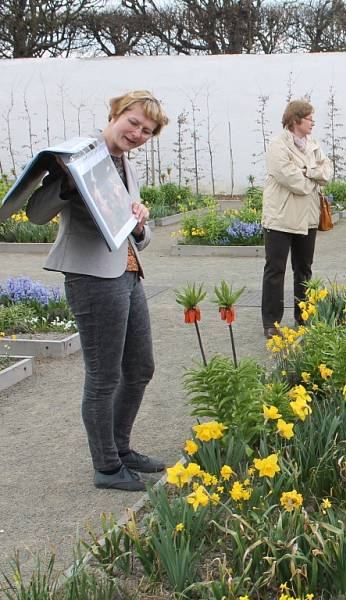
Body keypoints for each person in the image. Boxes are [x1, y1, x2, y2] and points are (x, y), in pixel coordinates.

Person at [26, 90, 169, 491]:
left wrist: (140, 223)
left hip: (127, 271)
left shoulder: (124, 164)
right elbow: (36, 214)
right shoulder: (78, 158)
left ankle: (120, 448)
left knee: (140, 368)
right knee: (104, 377)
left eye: (147, 131)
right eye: (134, 122)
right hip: (92, 277)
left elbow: (140, 234)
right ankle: (107, 467)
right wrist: (67, 183)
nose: (138, 133)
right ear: (115, 114)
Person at [261, 100, 333, 338]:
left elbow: (327, 171)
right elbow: (291, 179)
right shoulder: (277, 145)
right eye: (310, 118)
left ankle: (303, 315)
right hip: (280, 217)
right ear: (296, 120)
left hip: (308, 218)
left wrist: (309, 172)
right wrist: (311, 176)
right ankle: (271, 323)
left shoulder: (313, 143)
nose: (313, 122)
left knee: (304, 269)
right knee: (275, 270)